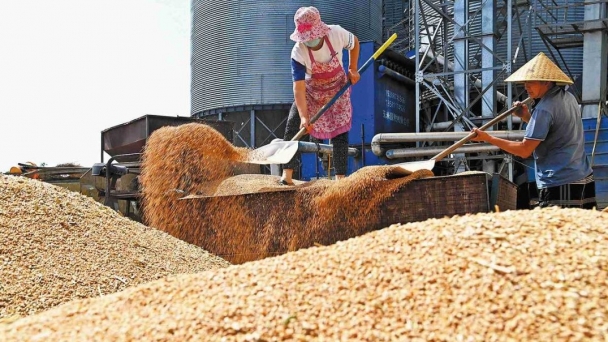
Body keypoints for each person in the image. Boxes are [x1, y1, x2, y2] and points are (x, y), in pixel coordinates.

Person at [471, 52, 596, 209]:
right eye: (525, 82)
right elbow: (553, 131)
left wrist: (488, 138)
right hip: (583, 176)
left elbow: (524, 150)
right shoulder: (568, 97)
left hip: (560, 180)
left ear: (547, 81)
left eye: (531, 81)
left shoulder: (544, 108)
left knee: (557, 231)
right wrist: (527, 117)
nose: (526, 86)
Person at [279, 6, 360, 185]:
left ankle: (340, 179)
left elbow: (354, 43)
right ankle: (287, 175)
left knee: (340, 131)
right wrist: (303, 116)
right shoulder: (298, 52)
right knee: (293, 125)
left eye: (311, 36)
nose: (308, 40)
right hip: (312, 93)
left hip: (337, 89)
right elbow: (298, 88)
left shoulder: (336, 33)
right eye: (305, 38)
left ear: (320, 30)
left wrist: (352, 68)